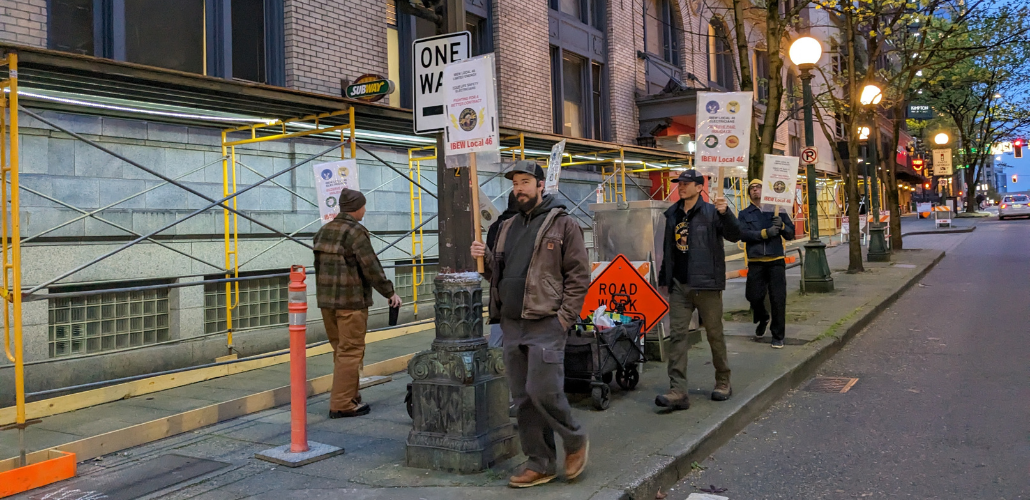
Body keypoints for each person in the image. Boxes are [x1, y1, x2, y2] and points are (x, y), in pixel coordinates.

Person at [470, 160, 591, 488]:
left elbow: (579, 276)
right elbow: (499, 274)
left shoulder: (563, 224)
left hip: (546, 322)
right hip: (512, 322)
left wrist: (564, 318)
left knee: (543, 390)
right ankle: (540, 461)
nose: (519, 188)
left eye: (525, 182)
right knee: (523, 398)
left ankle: (575, 438)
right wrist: (484, 259)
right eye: (515, 183)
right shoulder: (508, 226)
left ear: (541, 186)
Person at [656, 169, 741, 411]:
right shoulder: (672, 214)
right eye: (678, 183)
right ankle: (677, 390)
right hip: (679, 285)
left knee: (714, 334)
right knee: (678, 337)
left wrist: (726, 213)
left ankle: (723, 381)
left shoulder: (713, 212)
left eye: (685, 183)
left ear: (698, 187)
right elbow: (669, 249)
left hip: (706, 284)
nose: (680, 187)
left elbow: (735, 235)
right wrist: (665, 278)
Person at [313, 189, 402, 418]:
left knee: (340, 351)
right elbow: (371, 266)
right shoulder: (355, 232)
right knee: (351, 352)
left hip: (327, 303)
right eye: (363, 206)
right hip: (350, 302)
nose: (365, 209)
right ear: (357, 208)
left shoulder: (323, 231)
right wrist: (389, 292)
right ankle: (342, 403)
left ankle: (351, 397)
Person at [737, 179, 795, 349]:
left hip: (776, 261)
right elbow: (743, 234)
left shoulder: (777, 210)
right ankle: (763, 317)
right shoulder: (744, 214)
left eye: (759, 187)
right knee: (753, 296)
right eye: (752, 188)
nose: (755, 190)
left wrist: (783, 226)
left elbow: (791, 234)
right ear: (749, 193)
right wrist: (764, 233)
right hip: (756, 262)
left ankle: (778, 336)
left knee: (778, 299)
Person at [486, 192, 519, 349]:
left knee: (497, 340)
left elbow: (491, 267)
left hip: (499, 291)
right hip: (521, 291)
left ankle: (496, 367)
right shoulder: (524, 226)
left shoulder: (495, 226)